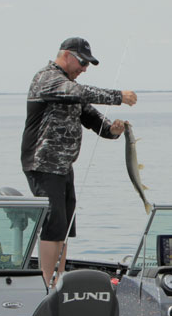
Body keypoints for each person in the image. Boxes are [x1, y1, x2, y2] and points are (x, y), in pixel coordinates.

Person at [21, 37, 138, 287]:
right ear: (67, 55)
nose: (84, 69)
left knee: (64, 226)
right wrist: (119, 96)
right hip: (43, 164)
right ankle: (47, 283)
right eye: (83, 63)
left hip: (64, 166)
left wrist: (113, 130)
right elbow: (79, 92)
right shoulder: (48, 79)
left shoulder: (70, 87)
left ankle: (60, 280)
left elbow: (95, 121)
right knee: (53, 224)